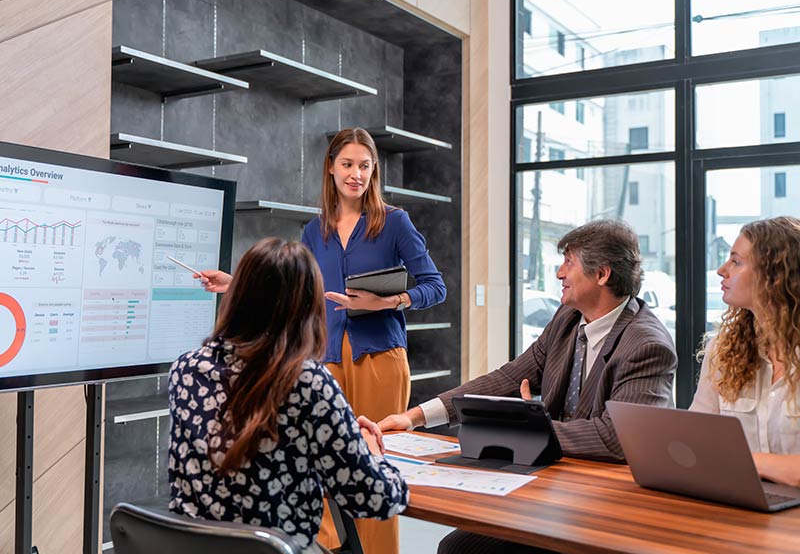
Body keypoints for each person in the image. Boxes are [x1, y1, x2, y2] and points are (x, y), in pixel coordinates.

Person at [196, 127, 446, 553]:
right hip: (324, 359)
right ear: (331, 168)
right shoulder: (316, 231)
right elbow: (291, 286)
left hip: (380, 357)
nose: (357, 174)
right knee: (320, 464)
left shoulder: (394, 222)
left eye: (365, 166)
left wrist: (389, 302)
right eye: (348, 165)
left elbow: (434, 287)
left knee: (372, 464)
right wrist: (235, 282)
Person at [379, 219, 677, 554]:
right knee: (457, 547)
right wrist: (417, 416)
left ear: (602, 274)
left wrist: (529, 424)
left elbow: (617, 438)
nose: (559, 273)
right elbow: (507, 379)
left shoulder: (647, 345)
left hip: (606, 505)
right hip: (554, 486)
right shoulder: (566, 320)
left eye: (569, 262)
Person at [168, 238, 409, 554]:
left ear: (236, 297)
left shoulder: (185, 369)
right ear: (307, 308)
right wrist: (373, 453)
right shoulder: (306, 381)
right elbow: (376, 499)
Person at [690, 216, 800, 488]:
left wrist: (746, 460)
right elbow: (695, 436)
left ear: (774, 276)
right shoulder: (723, 348)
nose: (721, 270)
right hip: (741, 505)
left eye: (736, 262)